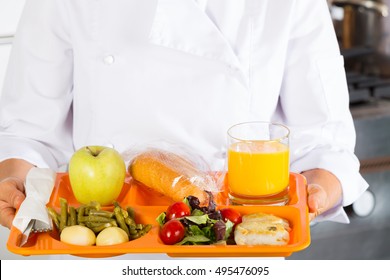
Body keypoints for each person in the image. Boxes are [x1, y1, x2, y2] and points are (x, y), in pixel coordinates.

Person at [0, 0, 368, 231]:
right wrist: (14, 185)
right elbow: (29, 133)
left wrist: (319, 189)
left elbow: (323, 143)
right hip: (103, 244)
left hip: (232, 244)